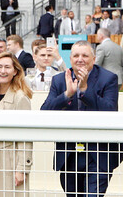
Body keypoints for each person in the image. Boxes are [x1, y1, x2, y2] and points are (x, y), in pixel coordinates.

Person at [41, 41, 120, 196]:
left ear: (94, 58)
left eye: (85, 55)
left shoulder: (109, 78)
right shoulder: (59, 80)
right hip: (69, 154)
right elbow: (44, 111)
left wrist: (85, 90)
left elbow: (110, 111)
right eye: (76, 55)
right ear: (70, 58)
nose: (80, 59)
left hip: (98, 154)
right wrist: (66, 95)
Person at [0, 52, 33, 196]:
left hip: (10, 160)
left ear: (15, 71)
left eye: (7, 67)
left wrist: (22, 169)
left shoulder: (20, 97)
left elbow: (26, 136)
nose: (3, 71)